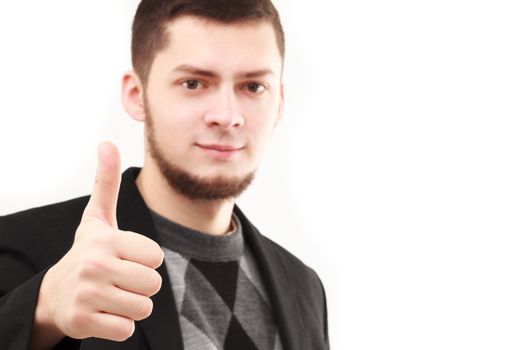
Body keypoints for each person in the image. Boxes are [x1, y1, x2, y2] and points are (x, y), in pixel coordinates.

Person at [0, 0, 329, 349]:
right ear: (136, 95)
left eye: (253, 87)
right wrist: (42, 310)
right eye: (193, 83)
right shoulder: (27, 253)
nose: (227, 115)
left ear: (278, 102)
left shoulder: (304, 287)